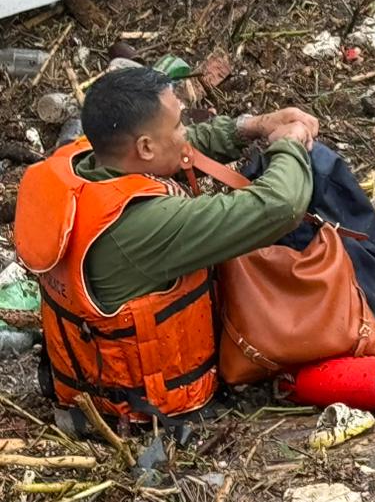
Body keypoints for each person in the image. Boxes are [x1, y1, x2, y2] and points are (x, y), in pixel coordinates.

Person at [14, 66, 319, 424]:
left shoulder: (79, 163)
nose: (185, 132)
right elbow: (280, 207)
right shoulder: (143, 225)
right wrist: (291, 144)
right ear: (143, 146)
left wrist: (250, 127)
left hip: (82, 384)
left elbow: (175, 148)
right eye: (178, 125)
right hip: (143, 409)